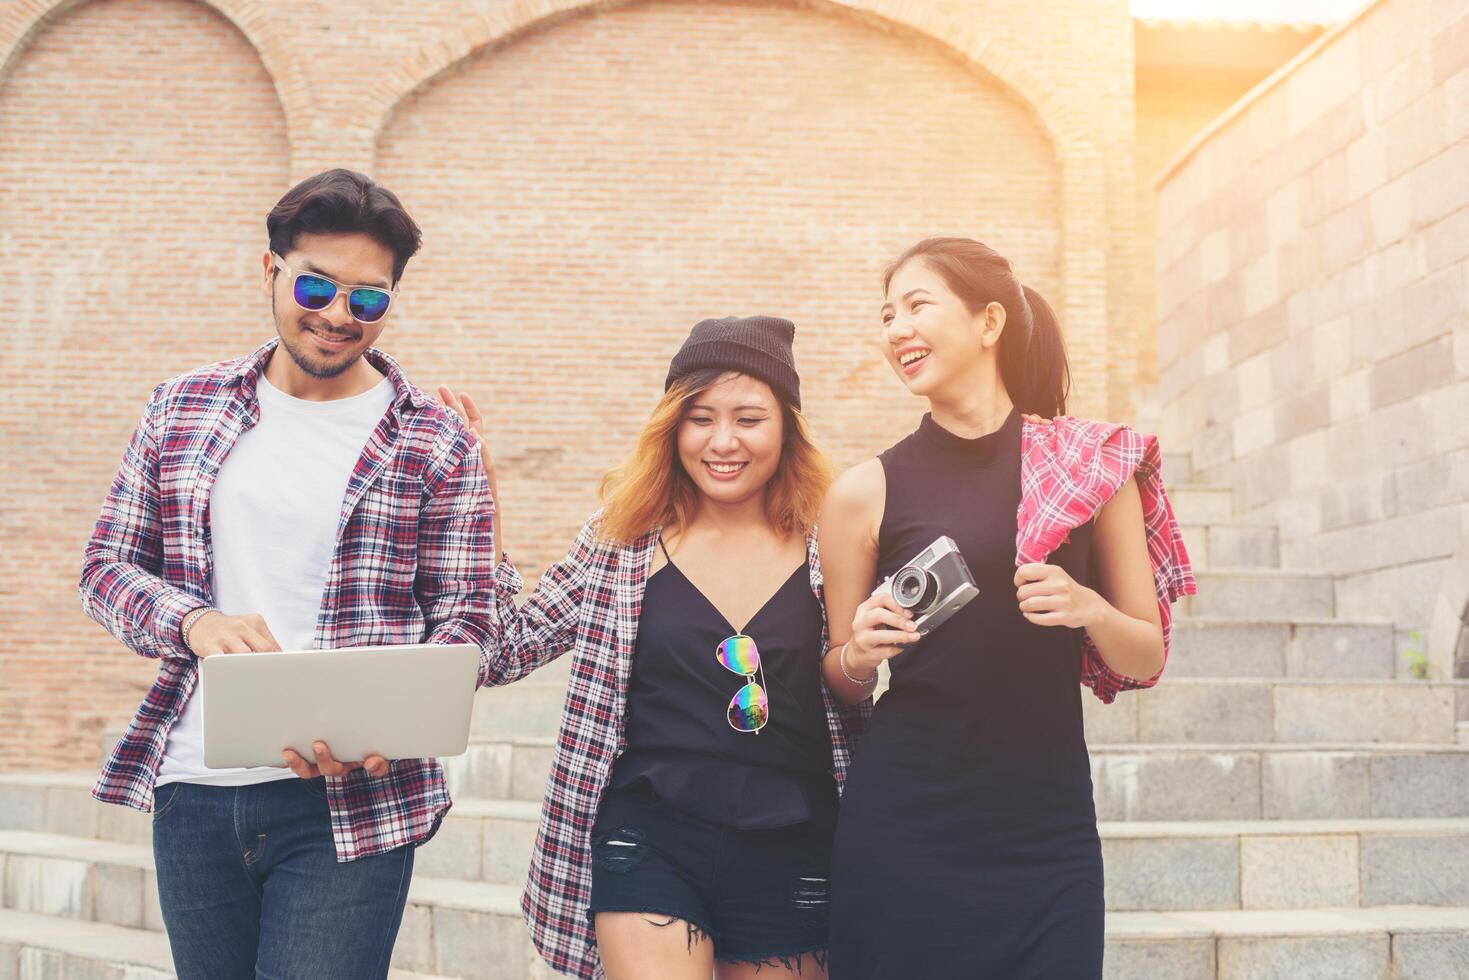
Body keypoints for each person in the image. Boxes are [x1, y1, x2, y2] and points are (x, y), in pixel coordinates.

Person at [78, 169, 494, 980]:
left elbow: (470, 613)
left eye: (368, 299)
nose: (339, 316)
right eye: (317, 286)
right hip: (196, 786)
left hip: (354, 806)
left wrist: (389, 723)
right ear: (269, 270)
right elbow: (106, 567)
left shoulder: (436, 439)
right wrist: (194, 621)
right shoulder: (182, 406)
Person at [444, 315, 867, 979]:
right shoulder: (620, 542)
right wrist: (480, 507)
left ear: (786, 427)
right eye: (699, 418)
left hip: (794, 842)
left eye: (748, 419)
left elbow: (865, 682)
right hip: (649, 836)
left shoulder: (830, 546)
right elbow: (505, 651)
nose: (722, 441)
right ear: (672, 427)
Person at [818, 237, 1196, 978]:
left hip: (1043, 828)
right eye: (886, 314)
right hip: (905, 820)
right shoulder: (861, 492)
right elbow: (836, 677)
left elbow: (1144, 654)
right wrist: (859, 653)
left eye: (917, 305)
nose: (896, 329)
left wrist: (1085, 606)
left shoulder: (1090, 469)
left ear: (988, 323)